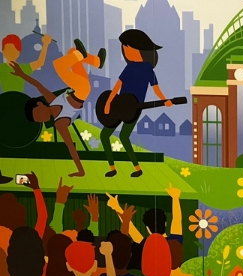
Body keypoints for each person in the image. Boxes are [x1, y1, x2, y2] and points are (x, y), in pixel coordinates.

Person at [12, 39, 106, 177]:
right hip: (81, 90)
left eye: (37, 115)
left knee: (72, 53)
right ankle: (83, 56)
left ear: (40, 104)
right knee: (60, 65)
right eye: (38, 120)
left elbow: (38, 85)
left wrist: (22, 75)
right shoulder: (60, 123)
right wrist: (81, 170)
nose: (41, 120)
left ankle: (97, 62)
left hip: (79, 86)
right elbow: (70, 147)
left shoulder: (52, 100)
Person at [101, 29, 171, 178]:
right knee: (104, 135)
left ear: (139, 49)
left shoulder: (147, 68)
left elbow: (156, 88)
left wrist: (165, 101)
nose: (125, 52)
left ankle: (137, 168)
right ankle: (112, 168)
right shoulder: (129, 67)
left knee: (124, 137)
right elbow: (117, 86)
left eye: (128, 48)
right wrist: (108, 102)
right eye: (124, 49)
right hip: (120, 105)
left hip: (133, 108)